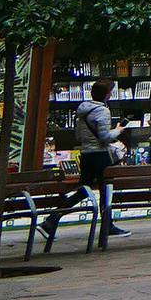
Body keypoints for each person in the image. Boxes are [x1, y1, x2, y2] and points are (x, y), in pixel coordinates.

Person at [43, 79, 129, 245]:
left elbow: (78, 136)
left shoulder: (83, 109)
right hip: (100, 156)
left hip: (87, 155)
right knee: (105, 190)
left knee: (84, 190)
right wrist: (118, 130)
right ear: (107, 94)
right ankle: (107, 226)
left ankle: (52, 219)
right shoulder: (102, 111)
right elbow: (104, 138)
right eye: (111, 91)